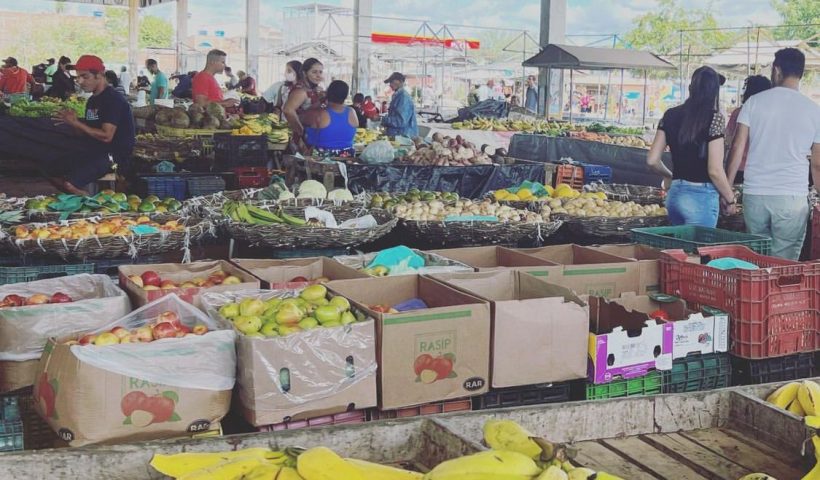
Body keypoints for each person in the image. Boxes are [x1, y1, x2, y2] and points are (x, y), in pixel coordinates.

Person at [727, 48, 820, 260]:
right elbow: (817, 164)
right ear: (801, 73)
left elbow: (737, 148)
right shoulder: (814, 111)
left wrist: (728, 190)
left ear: (777, 71)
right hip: (791, 197)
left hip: (755, 195)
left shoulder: (753, 102)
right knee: (784, 263)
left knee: (757, 258)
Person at [646, 66, 735, 228]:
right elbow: (715, 170)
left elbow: (652, 160)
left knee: (678, 245)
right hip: (701, 198)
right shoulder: (715, 119)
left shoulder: (669, 115)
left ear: (690, 88)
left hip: (674, 195)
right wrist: (730, 199)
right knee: (699, 245)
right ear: (714, 92)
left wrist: (670, 175)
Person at [51, 55, 135, 196]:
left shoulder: (113, 99)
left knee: (70, 184)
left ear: (99, 75)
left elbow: (107, 136)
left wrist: (77, 123)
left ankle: (94, 204)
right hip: (94, 151)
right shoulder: (92, 101)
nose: (80, 81)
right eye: (78, 77)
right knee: (51, 170)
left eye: (85, 76)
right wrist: (72, 123)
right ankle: (87, 199)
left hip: (114, 156)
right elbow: (85, 133)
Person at [724, 75, 772, 185]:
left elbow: (729, 140)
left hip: (737, 168)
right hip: (761, 169)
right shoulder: (770, 116)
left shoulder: (738, 112)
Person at [305, 80, 358, 157]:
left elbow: (301, 117)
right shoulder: (352, 112)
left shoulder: (320, 114)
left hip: (321, 159)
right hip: (347, 158)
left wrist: (321, 100)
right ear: (346, 96)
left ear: (328, 94)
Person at [283, 58, 325, 148]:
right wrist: (301, 132)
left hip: (311, 135)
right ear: (304, 73)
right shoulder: (301, 91)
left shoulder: (312, 89)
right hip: (303, 139)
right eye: (314, 72)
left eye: (320, 72)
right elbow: (288, 110)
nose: (318, 75)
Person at [381, 72, 418, 138]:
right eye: (390, 82)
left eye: (392, 82)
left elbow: (401, 121)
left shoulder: (403, 97)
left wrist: (382, 119)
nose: (390, 84)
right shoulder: (398, 96)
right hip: (397, 135)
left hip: (403, 137)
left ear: (400, 82)